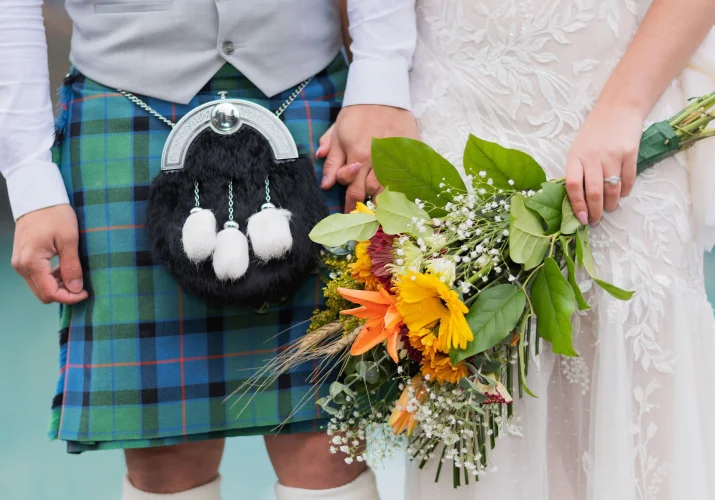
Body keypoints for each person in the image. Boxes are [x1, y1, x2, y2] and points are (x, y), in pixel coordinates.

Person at [0, 1, 418, 499]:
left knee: (325, 441)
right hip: (125, 100)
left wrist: (381, 80)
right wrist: (30, 178)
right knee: (165, 457)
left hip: (306, 91)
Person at [330, 1, 715, 498]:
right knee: (484, 403)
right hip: (457, 92)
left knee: (633, 370)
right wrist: (379, 80)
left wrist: (625, 104)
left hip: (619, 76)